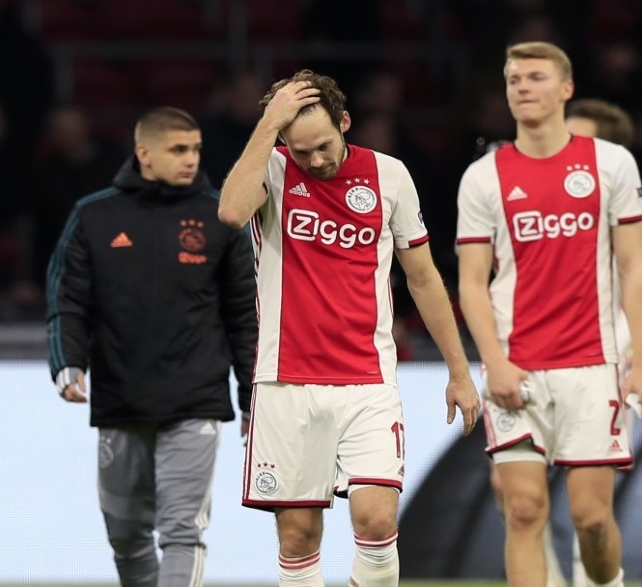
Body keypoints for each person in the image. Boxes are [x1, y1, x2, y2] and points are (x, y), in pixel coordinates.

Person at [216, 70, 479, 587]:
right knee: (298, 537)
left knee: (377, 523)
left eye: (323, 146)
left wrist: (459, 371)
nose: (315, 160)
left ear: (345, 122)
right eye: (301, 150)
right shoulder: (271, 169)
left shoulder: (389, 174)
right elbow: (229, 212)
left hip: (368, 381)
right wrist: (268, 126)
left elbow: (423, 277)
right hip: (285, 381)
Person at [457, 42, 642, 587]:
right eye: (514, 79)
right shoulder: (483, 176)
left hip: (593, 368)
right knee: (523, 510)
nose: (523, 87)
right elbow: (472, 282)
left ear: (566, 89)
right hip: (517, 368)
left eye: (536, 77)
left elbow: (633, 271)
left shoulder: (611, 163)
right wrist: (494, 363)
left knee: (592, 521)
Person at [45, 106, 256, 587]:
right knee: (126, 537)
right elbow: (67, 299)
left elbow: (246, 316)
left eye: (195, 149)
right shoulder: (94, 215)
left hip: (196, 400)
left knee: (182, 532)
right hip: (120, 399)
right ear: (144, 152)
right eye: (178, 149)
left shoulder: (220, 215)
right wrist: (67, 363)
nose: (191, 159)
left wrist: (252, 396)